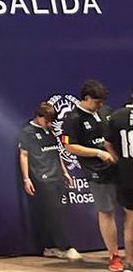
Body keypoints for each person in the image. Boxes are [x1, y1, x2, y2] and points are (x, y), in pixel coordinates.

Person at [62, 79, 123, 272]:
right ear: (86, 98)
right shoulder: (72, 118)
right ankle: (114, 256)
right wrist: (98, 153)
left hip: (120, 169)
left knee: (130, 210)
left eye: (102, 102)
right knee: (106, 211)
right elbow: (69, 146)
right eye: (96, 102)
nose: (100, 105)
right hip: (97, 173)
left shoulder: (106, 112)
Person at [18, 102, 80, 260]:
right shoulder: (27, 132)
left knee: (54, 213)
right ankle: (65, 247)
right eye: (47, 120)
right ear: (39, 116)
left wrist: (65, 172)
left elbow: (57, 153)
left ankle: (50, 246)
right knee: (54, 212)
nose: (49, 123)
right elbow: (24, 155)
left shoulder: (51, 131)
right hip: (42, 177)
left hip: (57, 176)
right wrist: (26, 178)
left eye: (51, 121)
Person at [104, 86, 133, 271]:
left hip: (126, 175)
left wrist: (118, 159)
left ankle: (130, 261)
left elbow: (107, 143)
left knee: (130, 219)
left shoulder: (116, 116)